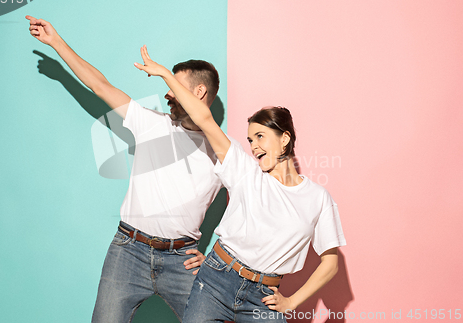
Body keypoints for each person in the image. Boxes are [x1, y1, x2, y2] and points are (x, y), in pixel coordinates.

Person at [26, 16, 224, 322]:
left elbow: (252, 205)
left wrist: (216, 258)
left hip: (182, 261)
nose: (167, 93)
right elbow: (98, 85)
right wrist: (56, 41)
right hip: (128, 252)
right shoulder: (151, 124)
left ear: (198, 92)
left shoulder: (222, 151)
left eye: (174, 85)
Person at [135, 46, 347, 322]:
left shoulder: (318, 198)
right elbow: (204, 119)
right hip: (215, 281)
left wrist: (292, 301)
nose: (254, 147)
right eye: (250, 140)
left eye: (260, 137)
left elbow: (330, 264)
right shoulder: (245, 170)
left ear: (284, 139)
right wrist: (166, 75)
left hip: (263, 296)